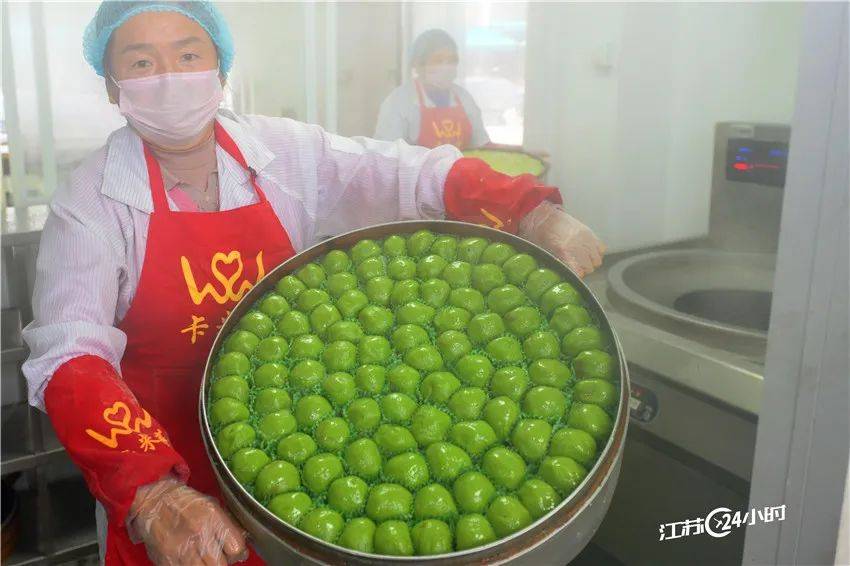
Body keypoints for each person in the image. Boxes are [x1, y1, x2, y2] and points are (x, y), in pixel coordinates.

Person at [22, 2, 605, 565]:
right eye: (142, 63)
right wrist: (152, 494)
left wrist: (524, 205)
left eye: (188, 54)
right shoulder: (91, 204)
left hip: (304, 439)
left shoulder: (277, 152)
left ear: (220, 68)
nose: (170, 78)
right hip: (162, 460)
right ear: (111, 85)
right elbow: (72, 356)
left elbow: (397, 170)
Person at [375, 28, 490, 149]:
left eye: (451, 60)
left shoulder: (464, 98)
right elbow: (387, 155)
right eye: (438, 60)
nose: (446, 67)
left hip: (461, 168)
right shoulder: (399, 102)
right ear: (418, 64)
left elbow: (481, 144)